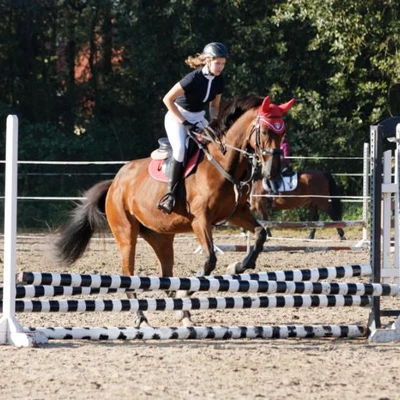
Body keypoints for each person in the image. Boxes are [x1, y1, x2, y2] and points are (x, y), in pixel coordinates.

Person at [157, 42, 229, 214]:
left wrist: (214, 122)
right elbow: (167, 100)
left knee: (219, 145)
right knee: (181, 150)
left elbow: (214, 106)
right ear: (208, 61)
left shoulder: (219, 81)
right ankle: (170, 195)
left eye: (223, 63)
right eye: (217, 63)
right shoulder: (193, 78)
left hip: (198, 117)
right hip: (177, 116)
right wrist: (184, 122)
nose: (220, 67)